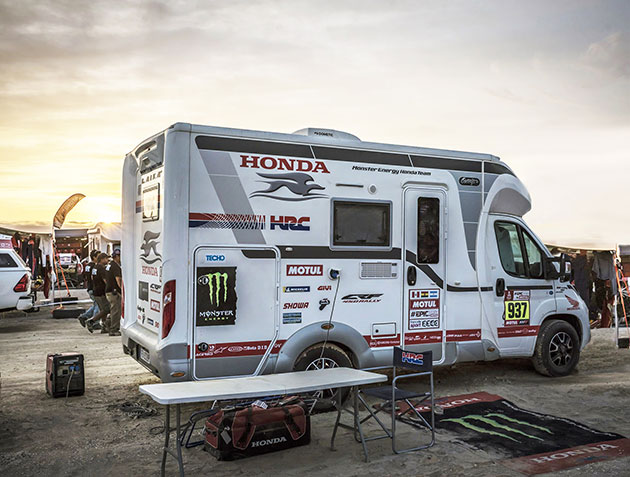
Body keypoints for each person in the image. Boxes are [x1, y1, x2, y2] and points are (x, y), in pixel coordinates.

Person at [87, 253, 111, 333]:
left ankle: (104, 327)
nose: (107, 260)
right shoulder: (101, 269)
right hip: (101, 292)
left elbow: (92, 278)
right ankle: (91, 321)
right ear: (102, 259)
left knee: (103, 310)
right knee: (106, 309)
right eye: (106, 258)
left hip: (96, 291)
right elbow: (106, 281)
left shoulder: (95, 267)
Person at [78, 250, 100, 327]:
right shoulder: (94, 267)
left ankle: (84, 316)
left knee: (96, 304)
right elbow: (93, 278)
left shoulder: (88, 266)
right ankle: (95, 322)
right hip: (94, 288)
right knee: (98, 305)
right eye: (98, 256)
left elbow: (84, 276)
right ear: (94, 257)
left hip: (90, 287)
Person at [105, 249, 122, 336]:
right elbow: (118, 280)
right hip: (114, 292)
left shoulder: (109, 265)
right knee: (116, 311)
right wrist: (122, 290)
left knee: (112, 310)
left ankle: (107, 326)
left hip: (108, 291)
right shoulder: (115, 266)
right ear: (117, 256)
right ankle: (113, 329)